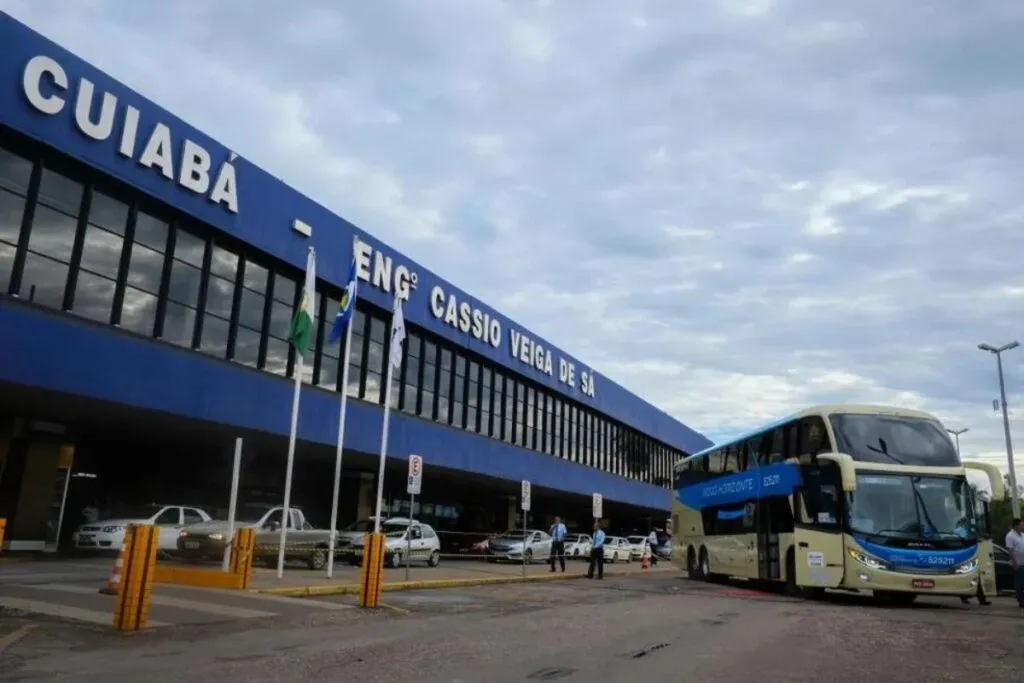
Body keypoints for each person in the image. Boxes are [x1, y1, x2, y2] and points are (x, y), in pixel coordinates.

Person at [1005, 517, 1024, 612]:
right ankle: (1021, 600)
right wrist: (1015, 563)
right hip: (1018, 564)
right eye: (1021, 525)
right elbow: (1010, 551)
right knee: (1019, 583)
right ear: (1016, 525)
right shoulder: (1010, 536)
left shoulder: (1022, 535)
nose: (1023, 526)